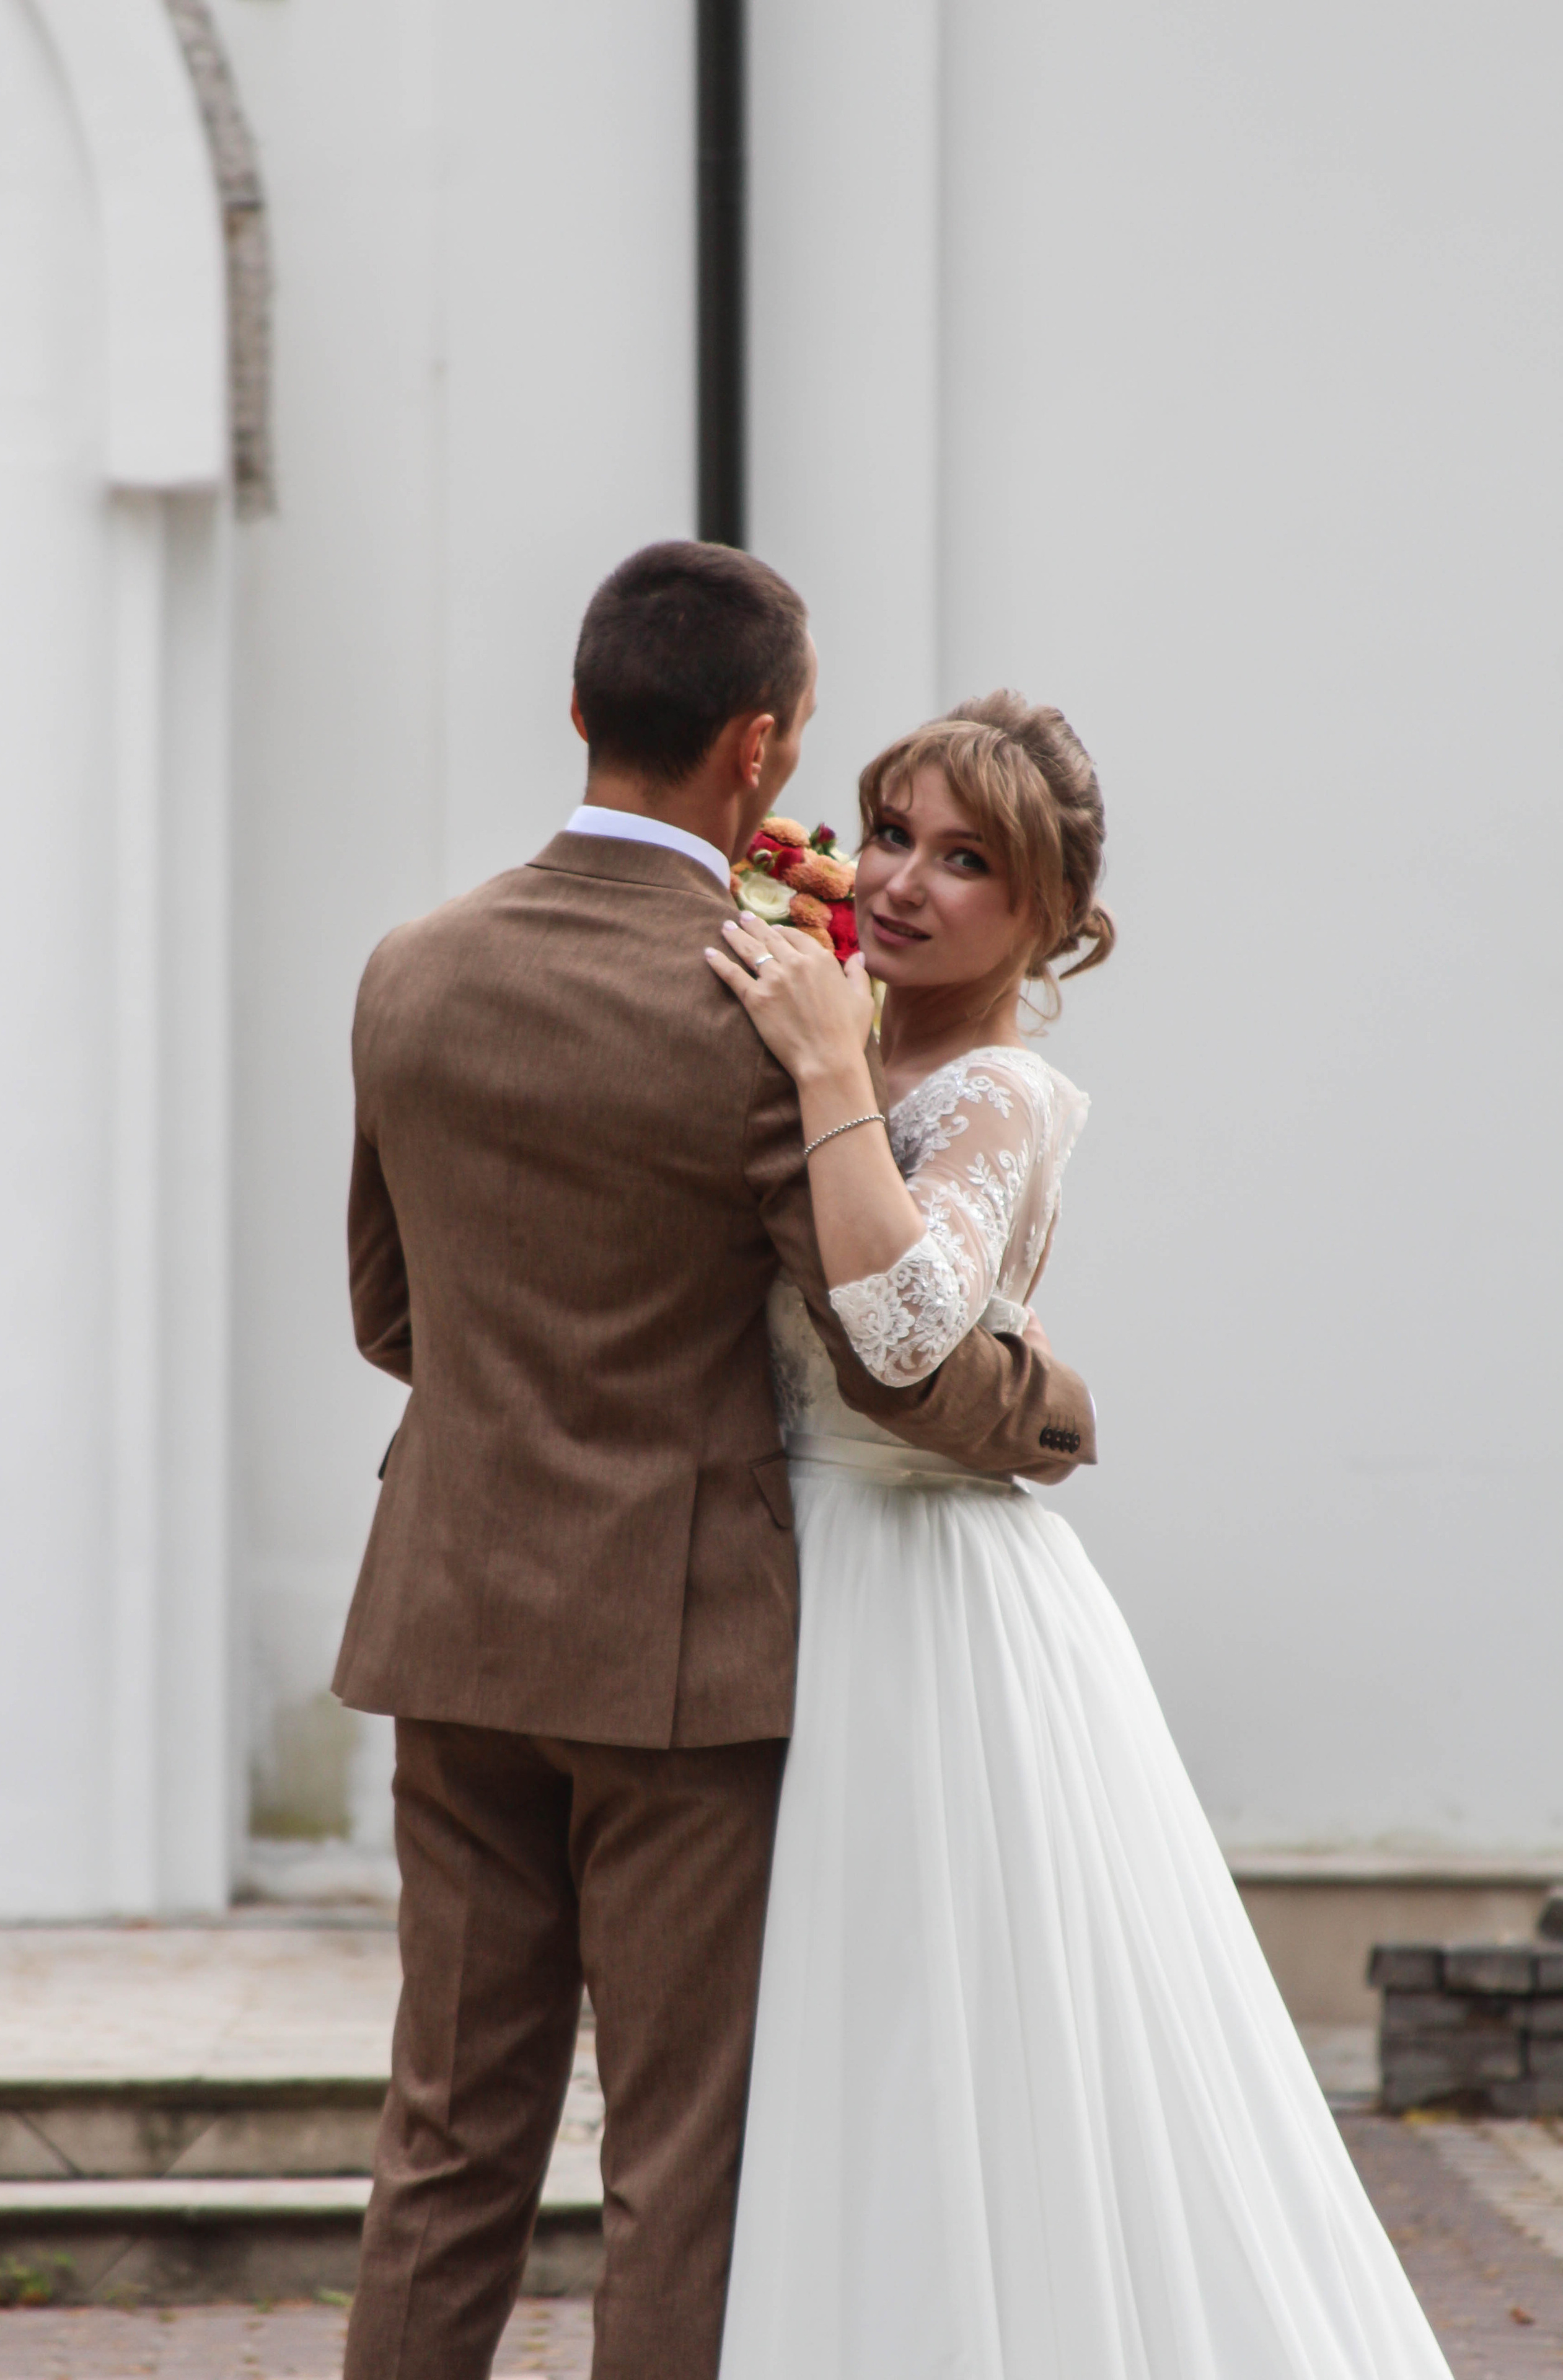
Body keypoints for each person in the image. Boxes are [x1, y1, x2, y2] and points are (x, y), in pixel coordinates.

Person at [333, 547, 1097, 2380]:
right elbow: (896, 1364)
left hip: (452, 1621)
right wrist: (1055, 1410)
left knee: (445, 2143)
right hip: (679, 1662)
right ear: (760, 749)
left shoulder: (409, 969)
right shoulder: (764, 1010)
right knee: (679, 2167)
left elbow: (390, 1314)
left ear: (580, 708)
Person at [707, 699, 1453, 2379]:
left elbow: (908, 1330)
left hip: (923, 1600)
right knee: (802, 2043)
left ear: (1049, 918)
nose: (902, 882)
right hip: (773, 1570)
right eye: (890, 833)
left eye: (966, 861)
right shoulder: (806, 1022)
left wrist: (827, 1067)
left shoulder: (1002, 1093)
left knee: (949, 2040)